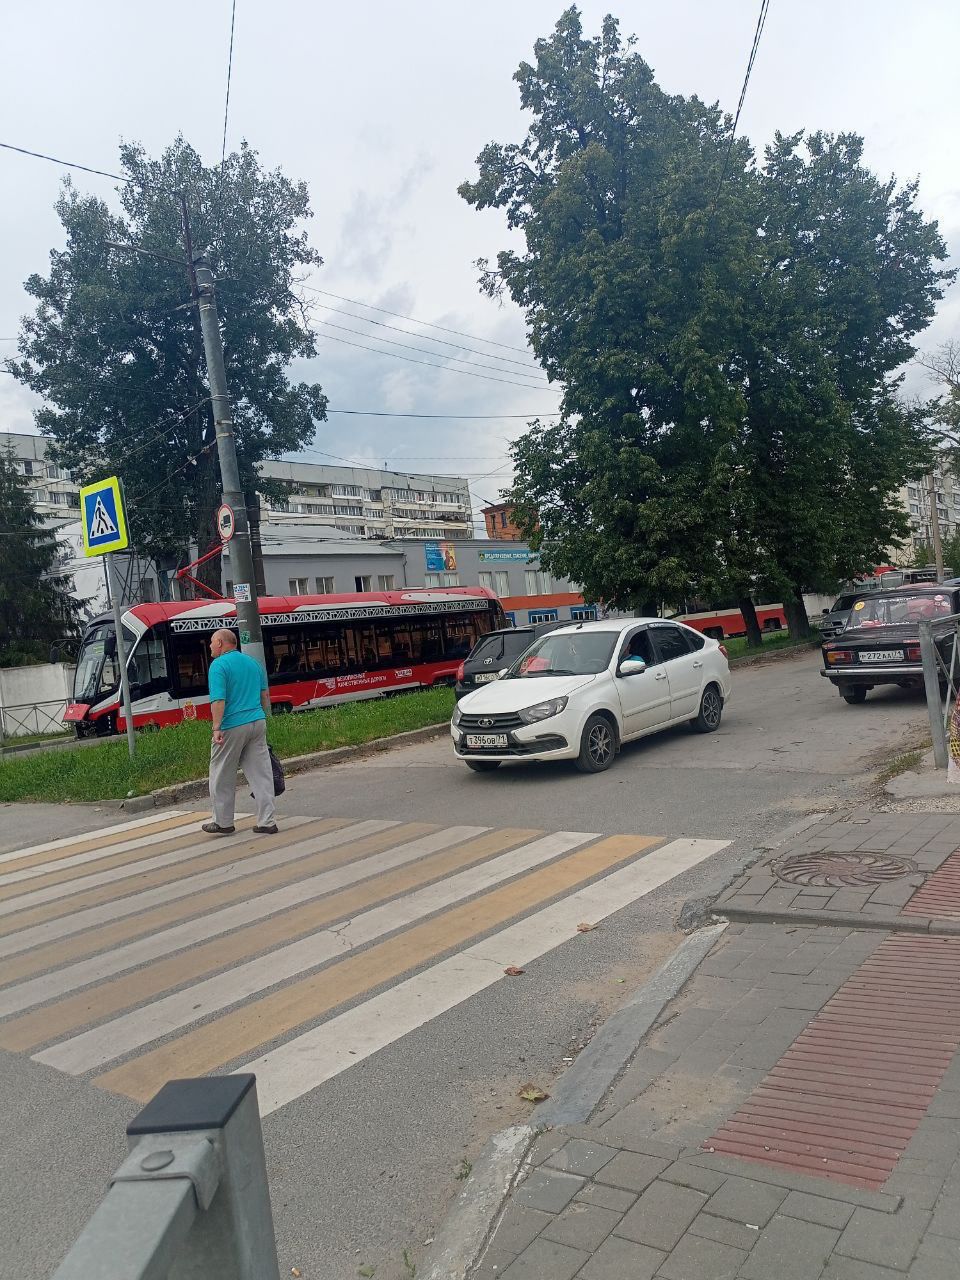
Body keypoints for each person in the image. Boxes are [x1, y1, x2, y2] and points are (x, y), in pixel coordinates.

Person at [202, 627, 278, 836]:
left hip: (232, 725)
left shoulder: (218, 665)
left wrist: (216, 727)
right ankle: (267, 821)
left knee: (221, 773)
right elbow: (264, 695)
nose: (209, 646)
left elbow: (218, 700)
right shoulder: (253, 663)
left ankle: (223, 822)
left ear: (219, 643)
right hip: (257, 721)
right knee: (261, 774)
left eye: (211, 642)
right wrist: (261, 716)